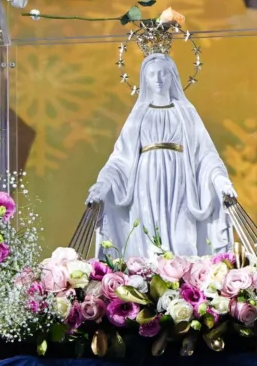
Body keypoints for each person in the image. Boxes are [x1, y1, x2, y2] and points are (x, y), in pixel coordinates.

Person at [86, 53, 236, 258]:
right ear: (144, 79)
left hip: (181, 183)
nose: (157, 79)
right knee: (147, 242)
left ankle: (184, 285)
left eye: (163, 73)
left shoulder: (186, 112)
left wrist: (221, 182)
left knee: (183, 240)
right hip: (145, 184)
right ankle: (149, 285)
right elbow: (120, 159)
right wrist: (102, 185)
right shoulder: (139, 114)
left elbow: (206, 155)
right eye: (152, 74)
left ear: (172, 76)